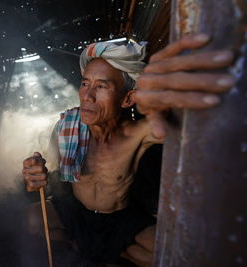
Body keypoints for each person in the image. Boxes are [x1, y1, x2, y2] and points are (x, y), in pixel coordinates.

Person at [22, 34, 235, 266]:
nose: (87, 95)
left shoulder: (138, 133)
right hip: (77, 211)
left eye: (101, 86)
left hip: (119, 219)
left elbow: (199, 131)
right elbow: (48, 170)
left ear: (127, 98)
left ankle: (103, 252)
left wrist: (175, 103)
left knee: (170, 253)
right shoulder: (67, 126)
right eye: (85, 83)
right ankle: (86, 248)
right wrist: (36, 173)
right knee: (31, 218)